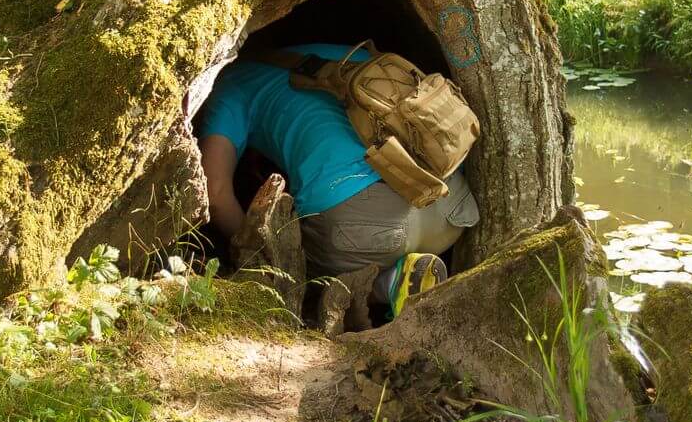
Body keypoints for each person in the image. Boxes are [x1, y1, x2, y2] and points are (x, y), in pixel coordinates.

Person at [195, 42, 479, 316]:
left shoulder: (229, 87)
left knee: (297, 272)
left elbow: (216, 193)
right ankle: (412, 268)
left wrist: (254, 254)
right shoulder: (334, 57)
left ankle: (388, 285)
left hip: (366, 231)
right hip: (450, 209)